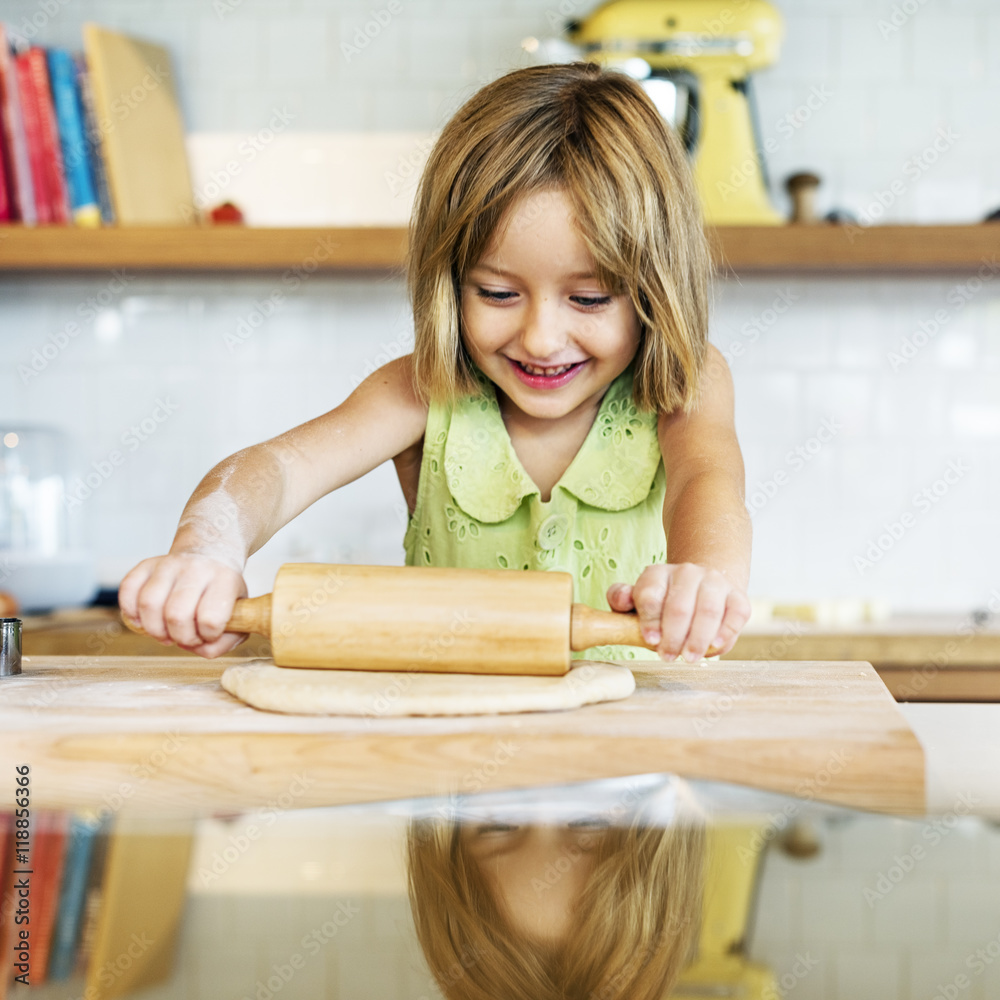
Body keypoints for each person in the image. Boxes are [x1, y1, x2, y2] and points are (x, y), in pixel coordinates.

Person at [118, 62, 751, 664]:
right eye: (497, 293)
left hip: (633, 756)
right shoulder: (423, 390)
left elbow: (707, 483)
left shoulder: (685, 385)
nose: (540, 338)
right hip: (452, 749)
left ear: (655, 289)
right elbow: (276, 470)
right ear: (448, 284)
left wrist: (705, 581)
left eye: (588, 299)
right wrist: (207, 549)